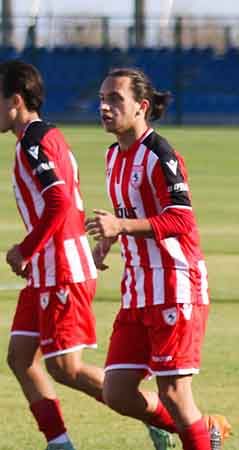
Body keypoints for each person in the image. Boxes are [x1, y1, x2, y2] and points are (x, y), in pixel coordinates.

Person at [1, 60, 174, 450]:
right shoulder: (38, 138)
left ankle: (167, 417)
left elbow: (60, 202)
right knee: (20, 357)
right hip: (47, 266)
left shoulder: (34, 141)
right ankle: (59, 443)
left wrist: (26, 248)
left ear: (14, 101)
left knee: (66, 368)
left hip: (61, 266)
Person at [86, 67, 231, 450]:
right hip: (137, 290)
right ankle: (201, 430)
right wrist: (109, 240)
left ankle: (196, 434)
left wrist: (121, 225)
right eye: (102, 98)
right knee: (116, 392)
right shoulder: (112, 156)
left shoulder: (159, 154)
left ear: (141, 106)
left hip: (174, 284)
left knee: (173, 394)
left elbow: (181, 218)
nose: (104, 106)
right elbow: (130, 213)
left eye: (115, 99)